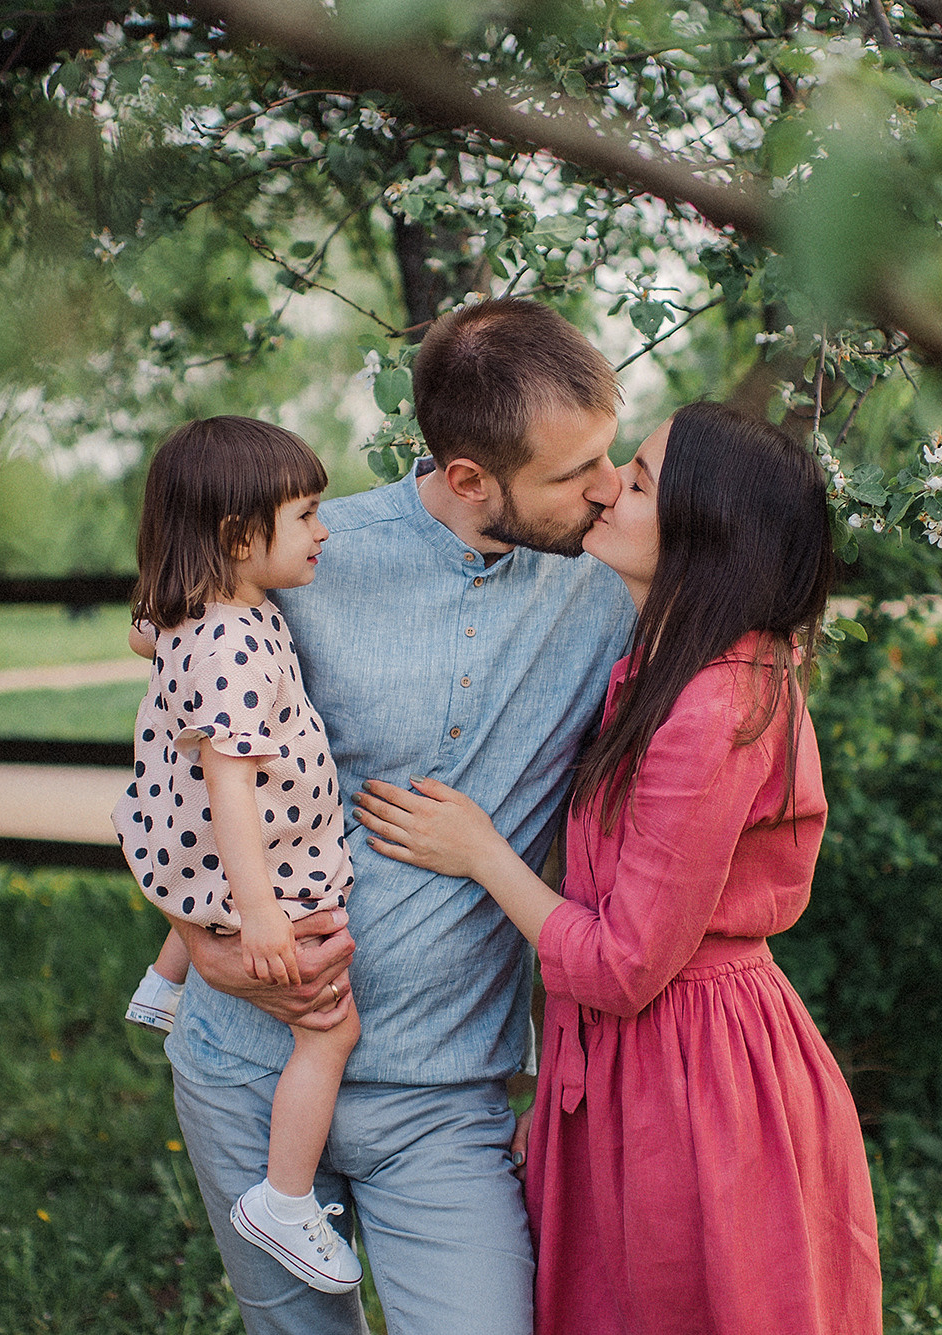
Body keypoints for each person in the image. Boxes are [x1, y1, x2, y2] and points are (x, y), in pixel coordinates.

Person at [158, 299, 637, 1334]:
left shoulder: (614, 582)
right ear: (468, 479)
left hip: (446, 1093)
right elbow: (172, 766)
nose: (607, 491)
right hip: (249, 1064)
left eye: (611, 454)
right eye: (571, 474)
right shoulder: (307, 561)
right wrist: (205, 942)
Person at [356, 402, 884, 1334]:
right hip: (621, 1068)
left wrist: (481, 854)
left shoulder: (718, 706)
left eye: (636, 482)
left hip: (694, 1081)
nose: (607, 490)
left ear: (700, 538)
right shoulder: (660, 664)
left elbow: (626, 963)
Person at [115, 416, 364, 1293]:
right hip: (242, 855)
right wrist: (260, 910)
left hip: (179, 846)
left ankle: (163, 980)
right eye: (305, 515)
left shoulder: (197, 611)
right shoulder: (229, 643)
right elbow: (229, 789)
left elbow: (146, 632)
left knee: (204, 889)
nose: (323, 531)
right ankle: (284, 1199)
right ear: (237, 536)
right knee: (332, 1029)